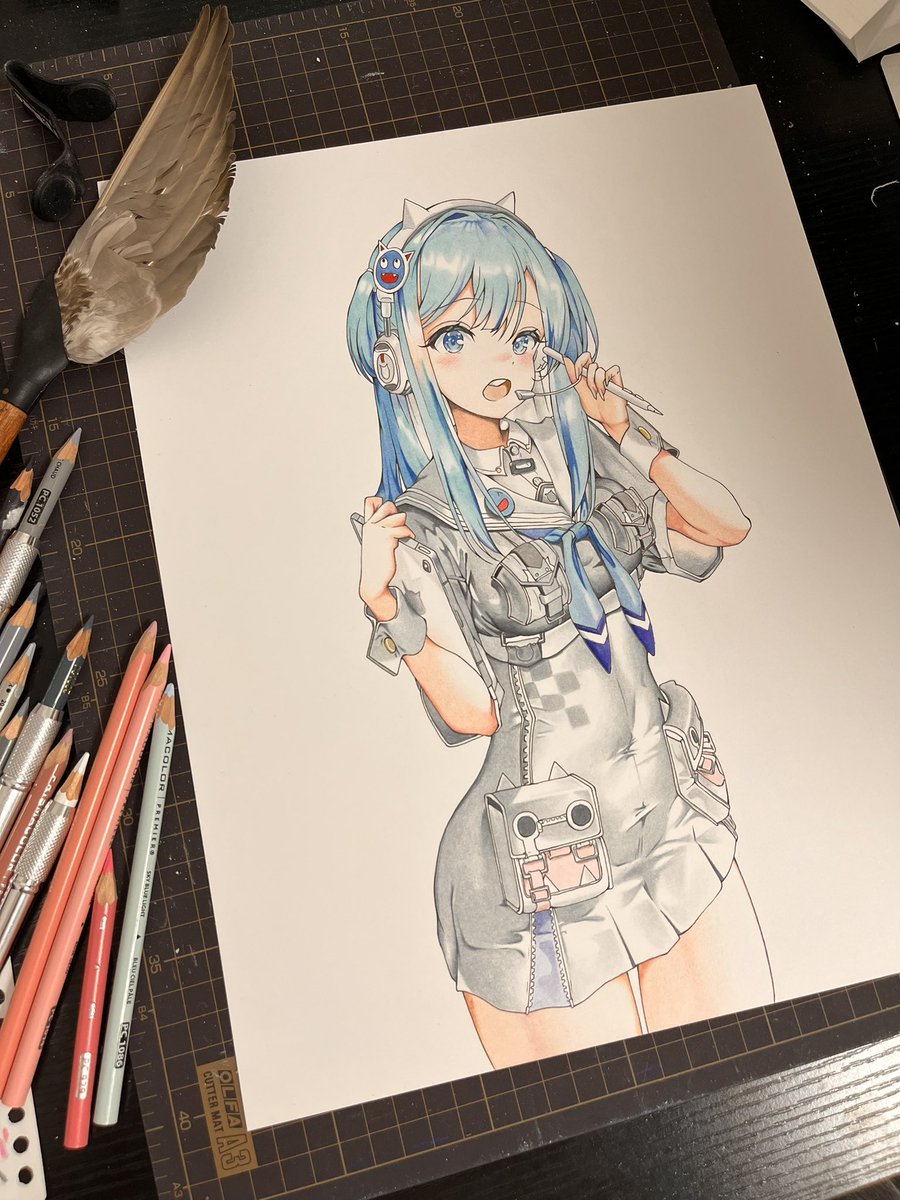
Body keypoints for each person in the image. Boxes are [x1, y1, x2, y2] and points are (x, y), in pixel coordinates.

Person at [346, 195, 773, 1069]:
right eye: (457, 336)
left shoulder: (580, 455)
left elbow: (722, 526)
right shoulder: (419, 522)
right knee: (606, 1124)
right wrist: (386, 602)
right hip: (540, 870)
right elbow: (473, 713)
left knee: (750, 1069)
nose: (500, 357)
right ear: (399, 361)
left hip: (667, 821)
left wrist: (629, 436)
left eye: (522, 333)